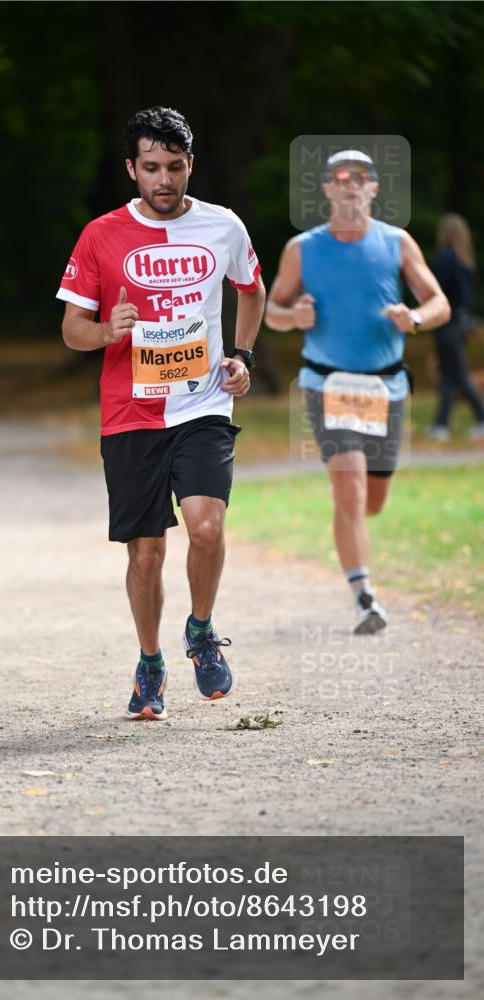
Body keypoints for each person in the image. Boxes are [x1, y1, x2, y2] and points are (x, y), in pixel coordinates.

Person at [57, 106, 265, 720]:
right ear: (132, 169)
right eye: (151, 167)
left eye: (174, 166)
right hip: (131, 413)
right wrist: (106, 331)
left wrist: (242, 355)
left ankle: (200, 631)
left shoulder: (223, 226)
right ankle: (150, 663)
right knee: (146, 553)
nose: (164, 179)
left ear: (190, 164)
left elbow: (251, 290)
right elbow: (71, 329)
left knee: (207, 528)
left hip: (204, 404)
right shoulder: (101, 235)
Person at [265, 150, 450, 634]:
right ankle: (365, 597)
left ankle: (352, 526)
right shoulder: (302, 249)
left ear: (373, 188)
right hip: (328, 382)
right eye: (340, 177)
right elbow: (272, 311)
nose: (350, 184)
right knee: (349, 486)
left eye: (360, 177)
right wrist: (293, 316)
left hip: (385, 384)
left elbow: (439, 302)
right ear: (327, 188)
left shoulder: (397, 242)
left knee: (371, 501)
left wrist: (414, 318)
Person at [425, 213, 484, 441]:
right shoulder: (464, 259)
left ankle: (481, 418)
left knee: (459, 375)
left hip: (447, 324)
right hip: (461, 323)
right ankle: (441, 425)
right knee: (448, 376)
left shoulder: (445, 258)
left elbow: (435, 290)